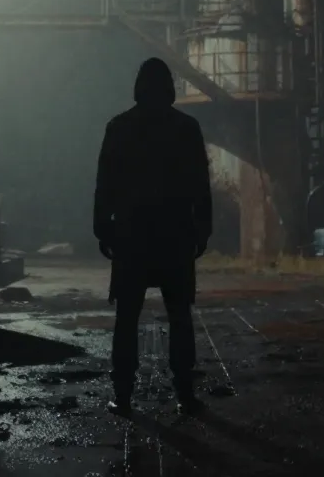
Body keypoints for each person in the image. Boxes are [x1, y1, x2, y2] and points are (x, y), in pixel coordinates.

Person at [93, 57, 212, 416]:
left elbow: (105, 182)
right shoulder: (187, 128)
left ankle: (123, 394)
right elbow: (200, 184)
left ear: (138, 88)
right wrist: (202, 228)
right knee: (180, 315)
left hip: (132, 235)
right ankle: (184, 393)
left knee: (127, 317)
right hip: (175, 233)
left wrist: (103, 227)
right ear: (170, 88)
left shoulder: (119, 127)